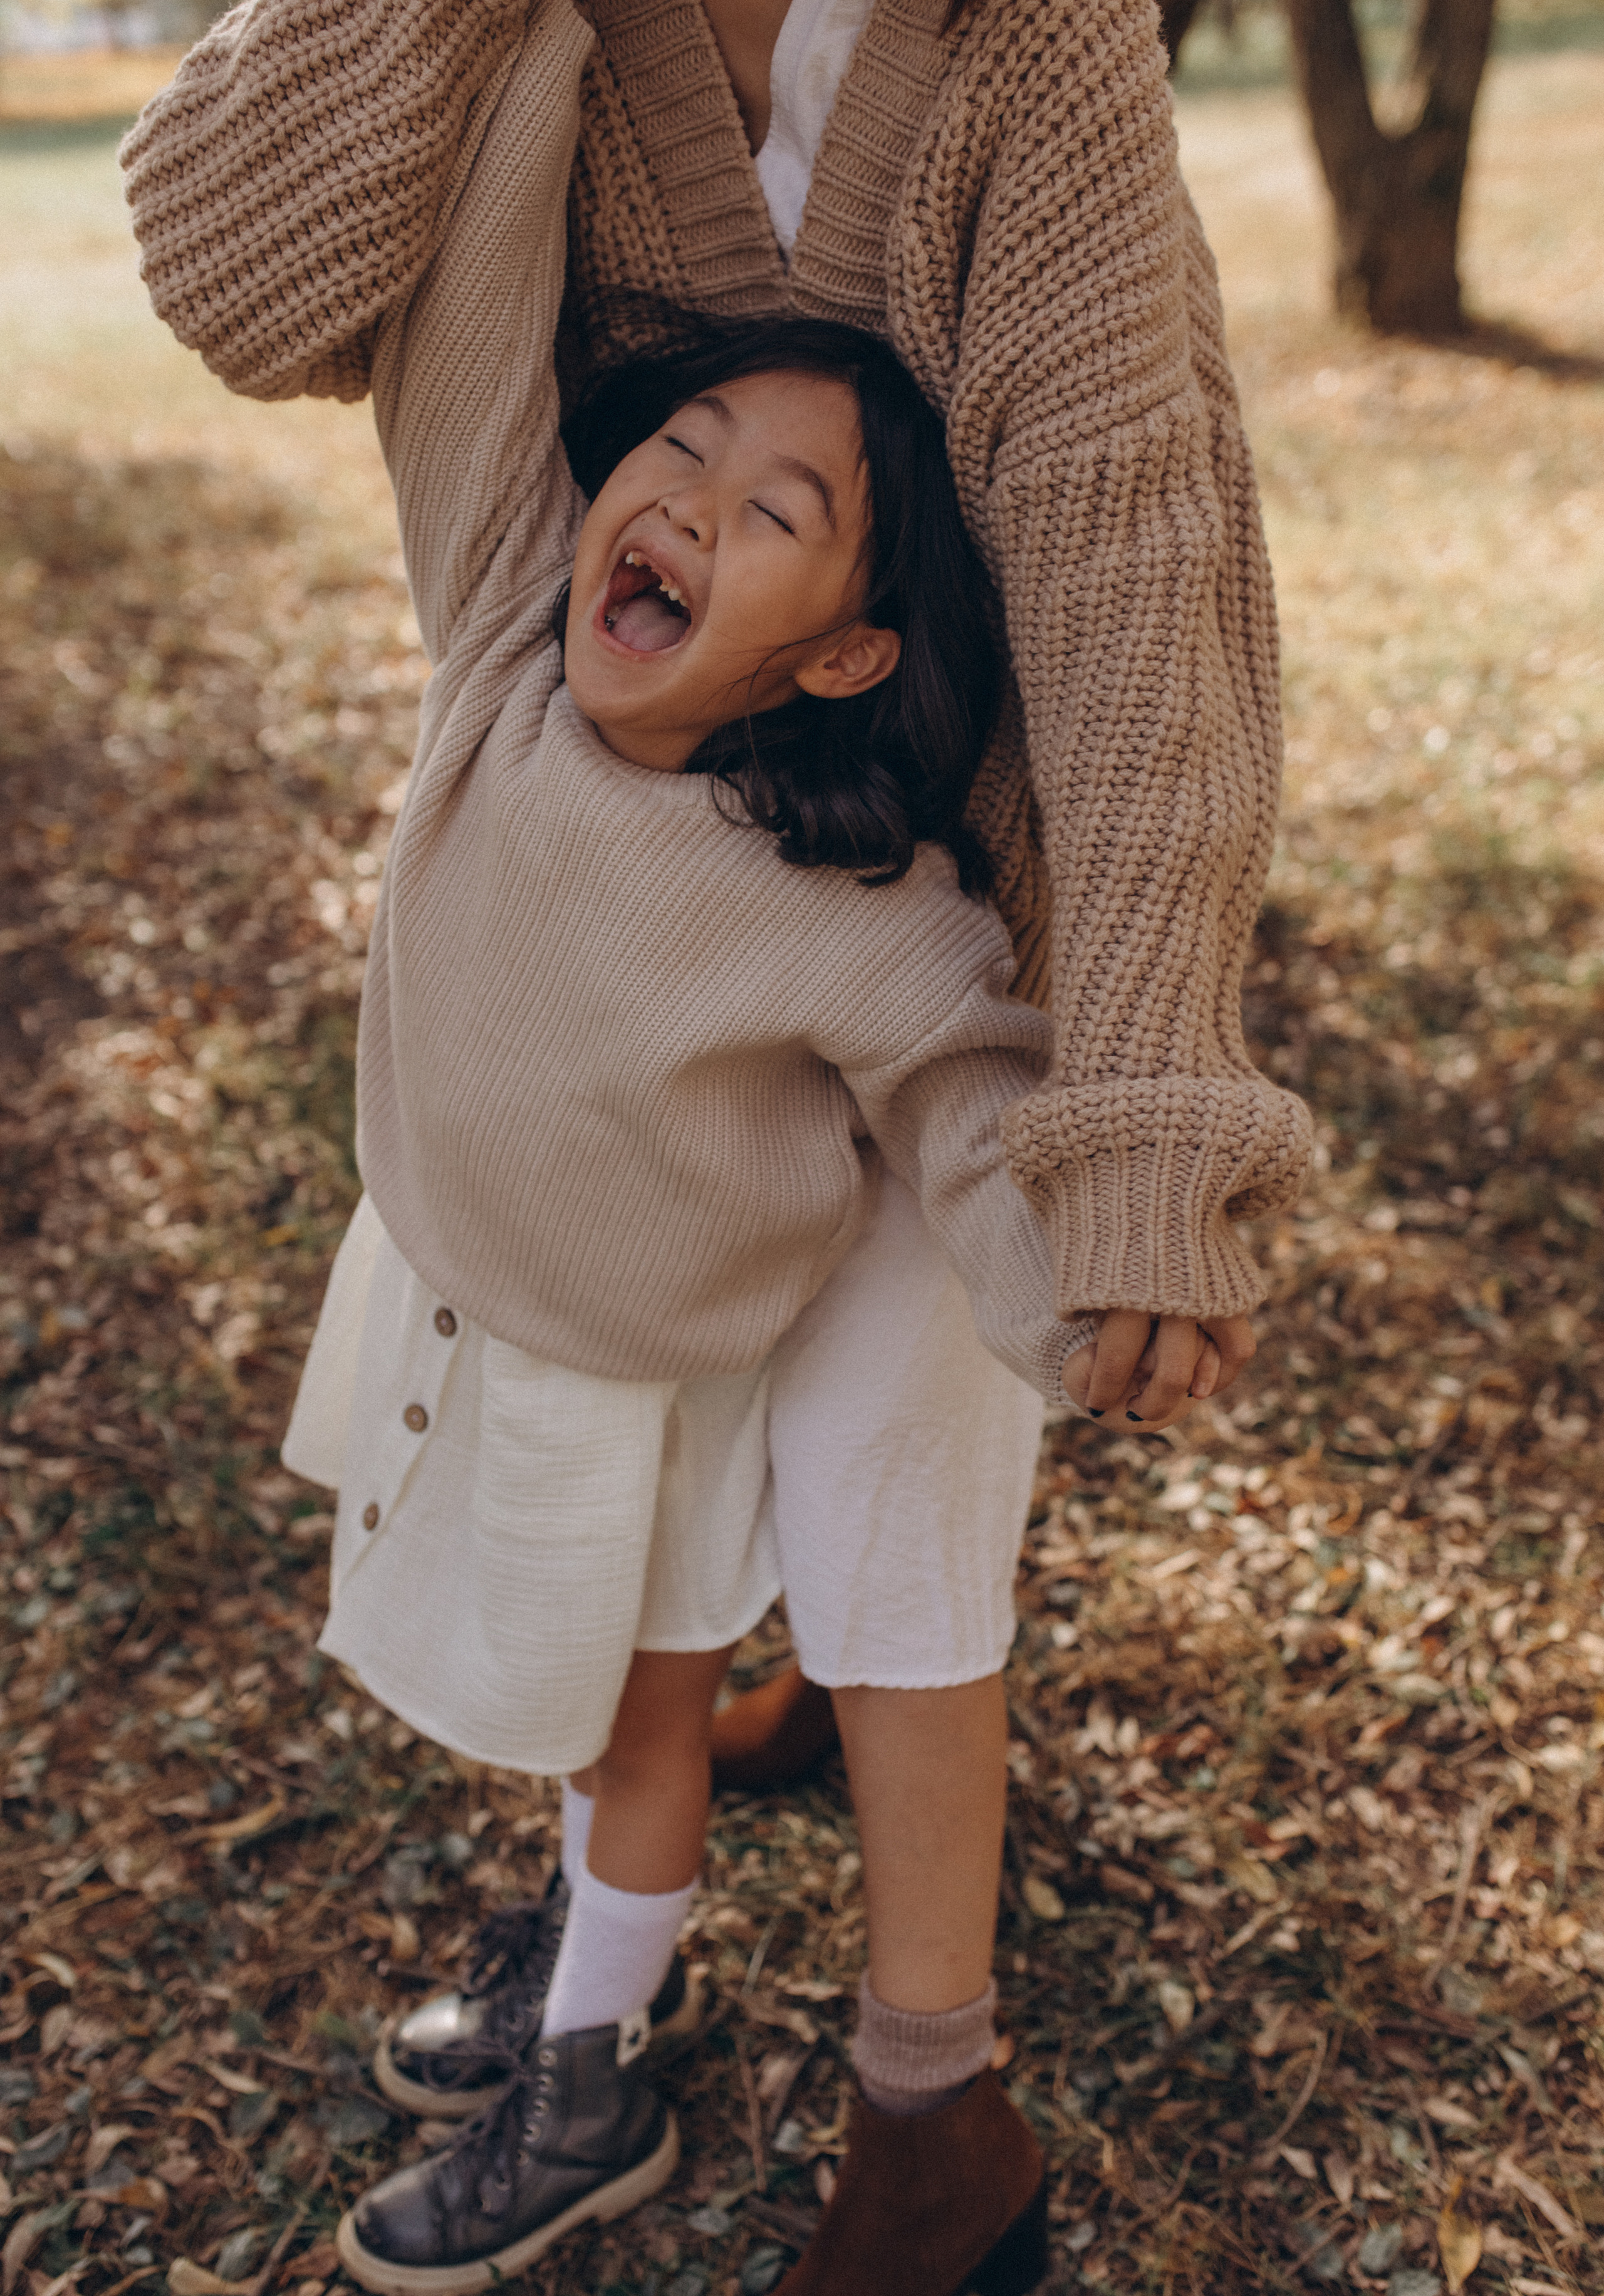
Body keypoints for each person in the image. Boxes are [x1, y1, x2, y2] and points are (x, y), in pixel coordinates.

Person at [123, 1, 1306, 2288]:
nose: (696, 491)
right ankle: (629, 1909)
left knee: (891, 1511)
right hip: (645, 946)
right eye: (690, 461)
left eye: (760, 499)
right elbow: (239, 276)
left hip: (957, 915)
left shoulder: (1027, 46)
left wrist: (1142, 1113)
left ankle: (933, 2105)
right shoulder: (566, 79)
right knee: (639, 1567)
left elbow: (1129, 563)